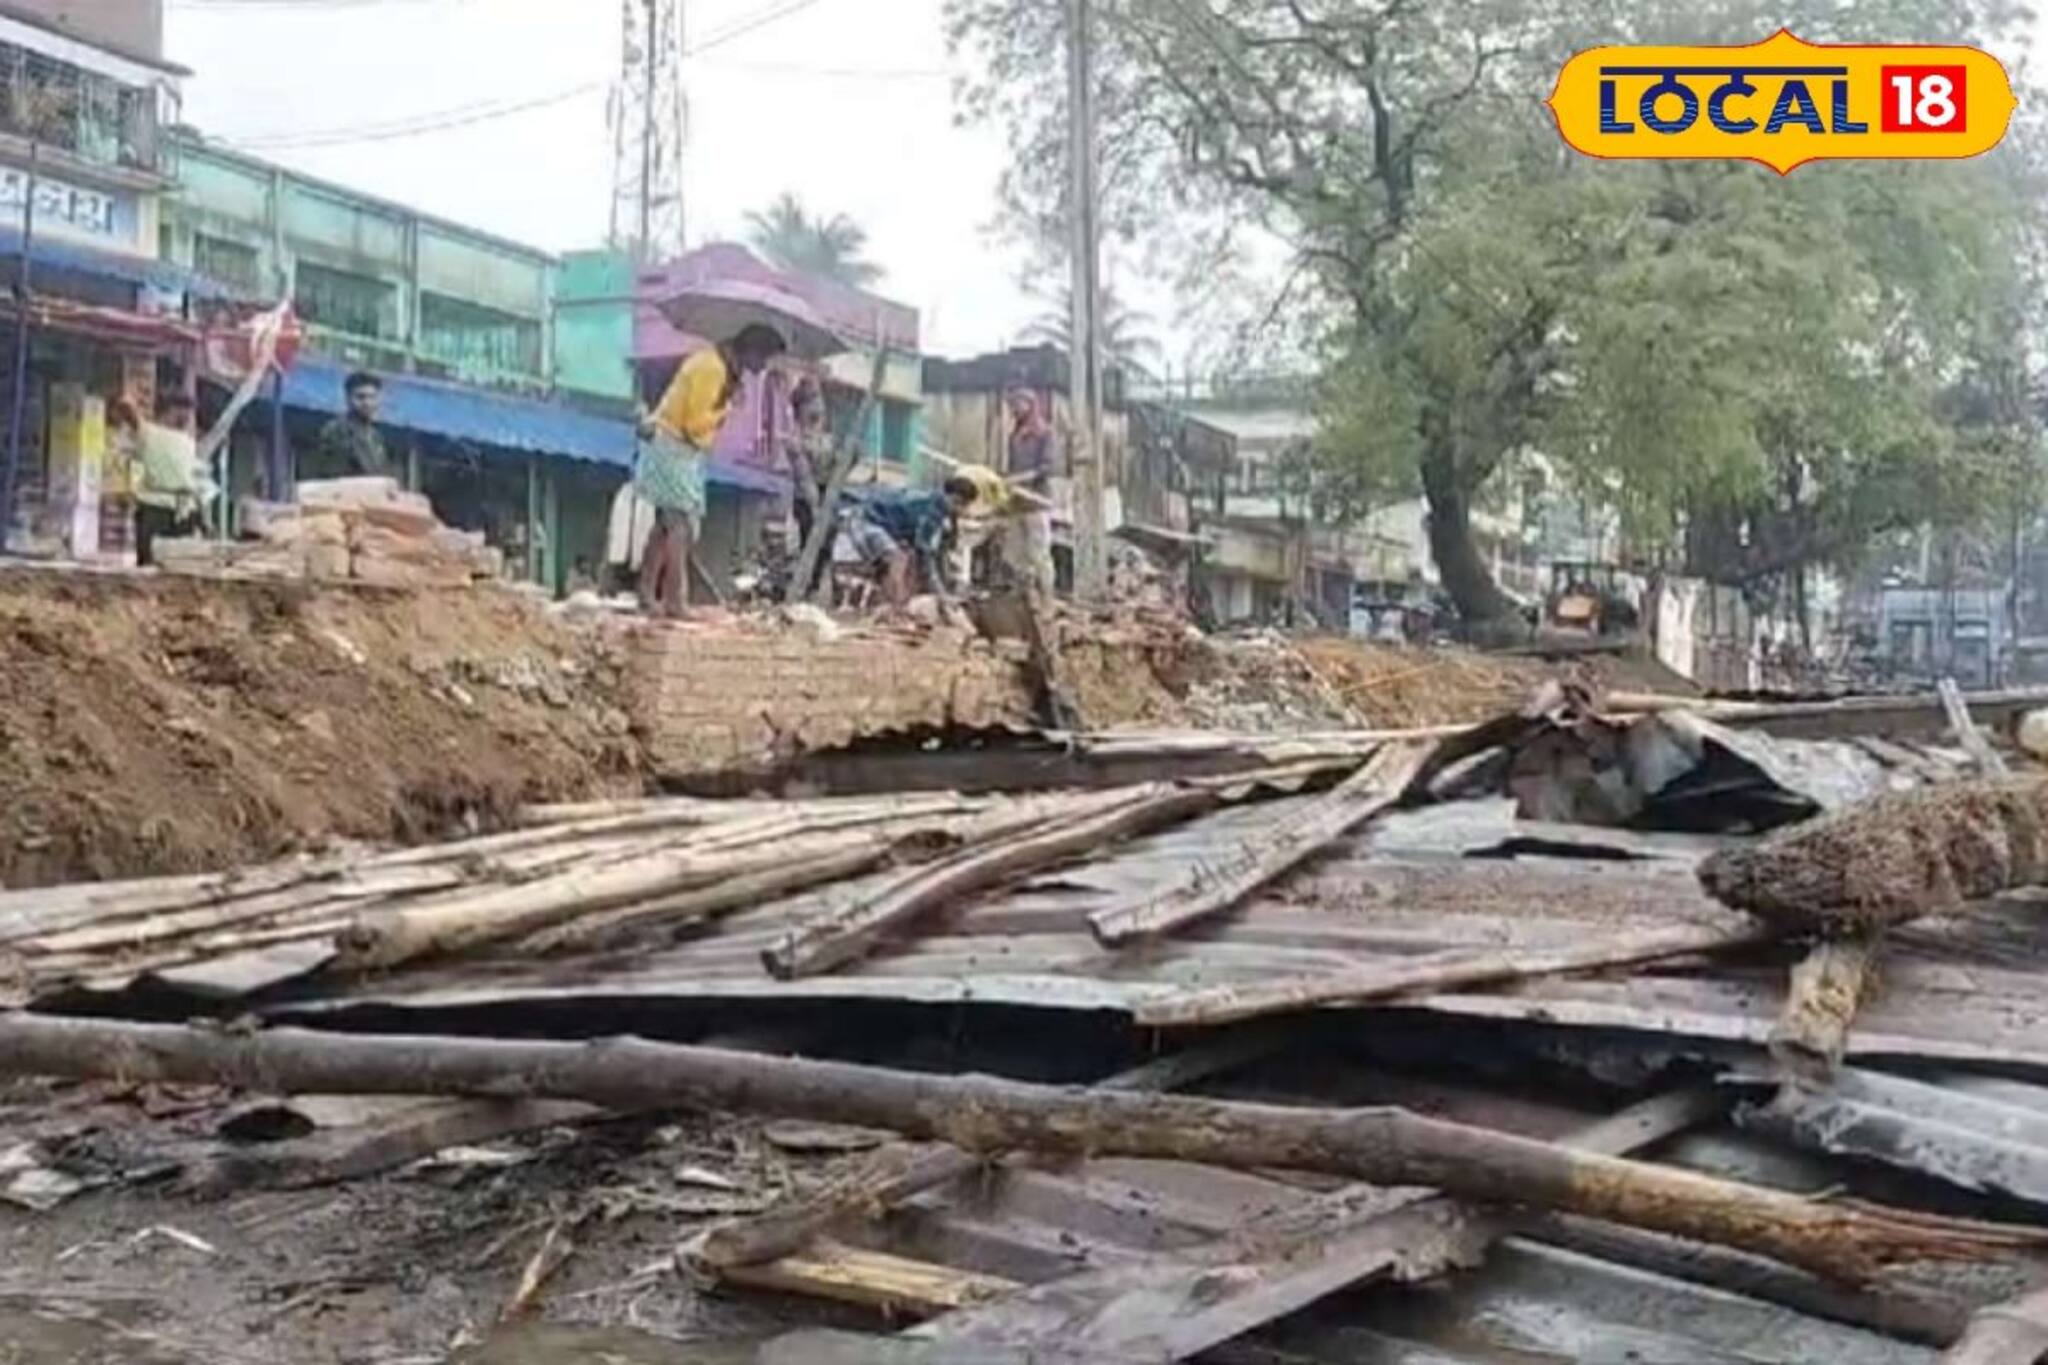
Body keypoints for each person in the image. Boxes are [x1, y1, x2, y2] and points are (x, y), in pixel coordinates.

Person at [635, 323, 787, 617]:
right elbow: (694, 426)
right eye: (762, 359)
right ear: (750, 352)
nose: (762, 367)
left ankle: (646, 593)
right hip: (674, 445)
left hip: (675, 446)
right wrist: (726, 409)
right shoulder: (712, 369)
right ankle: (675, 601)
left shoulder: (717, 366)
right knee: (682, 526)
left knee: (665, 525)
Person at [846, 477, 981, 609]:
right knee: (897, 559)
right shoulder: (930, 512)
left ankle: (892, 601)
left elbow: (936, 553)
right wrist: (941, 594)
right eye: (957, 503)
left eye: (963, 505)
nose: (959, 509)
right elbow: (926, 557)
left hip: (886, 527)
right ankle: (898, 608)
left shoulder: (941, 509)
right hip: (867, 520)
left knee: (908, 558)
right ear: (947, 495)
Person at [127, 392, 213, 567]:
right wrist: (133, 398)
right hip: (154, 506)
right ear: (169, 411)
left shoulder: (188, 442)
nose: (187, 418)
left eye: (189, 414)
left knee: (182, 565)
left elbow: (199, 484)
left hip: (184, 509)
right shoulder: (149, 432)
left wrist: (205, 519)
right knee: (149, 565)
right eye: (183, 412)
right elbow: (128, 410)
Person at [1003, 388, 1057, 596]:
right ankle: (1023, 595)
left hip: (1037, 499)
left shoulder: (1044, 433)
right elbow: (1011, 467)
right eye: (1013, 405)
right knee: (1016, 552)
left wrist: (1021, 478)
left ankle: (1047, 595)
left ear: (1030, 405)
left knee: (1039, 551)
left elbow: (1047, 467)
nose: (1015, 409)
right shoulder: (1014, 436)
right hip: (1017, 500)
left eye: (1019, 404)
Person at [315, 371, 391, 478]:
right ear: (348, 398)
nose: (367, 403)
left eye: (372, 397)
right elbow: (334, 477)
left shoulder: (376, 437)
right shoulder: (336, 431)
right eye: (361, 397)